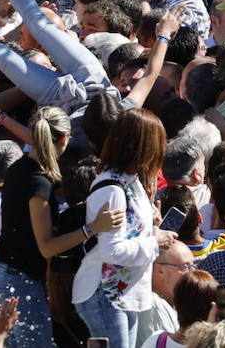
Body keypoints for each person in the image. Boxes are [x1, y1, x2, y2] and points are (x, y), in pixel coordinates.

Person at [0, 106, 122, 348]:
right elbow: (47, 248)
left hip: (6, 275)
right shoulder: (38, 184)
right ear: (64, 138)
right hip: (20, 281)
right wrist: (93, 227)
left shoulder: (20, 168)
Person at [74, 108, 176, 348]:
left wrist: (152, 226)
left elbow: (128, 233)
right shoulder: (112, 190)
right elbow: (113, 251)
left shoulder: (130, 181)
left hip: (120, 294)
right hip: (105, 294)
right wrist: (155, 242)